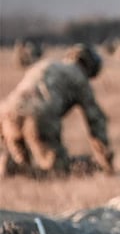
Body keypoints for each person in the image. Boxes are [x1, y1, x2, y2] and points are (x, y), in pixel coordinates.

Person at [0, 43, 114, 178]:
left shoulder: (44, 65)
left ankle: (14, 167)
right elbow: (95, 120)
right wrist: (105, 160)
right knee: (57, 169)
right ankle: (19, 170)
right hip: (39, 116)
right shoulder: (78, 76)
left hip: (8, 114)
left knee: (23, 162)